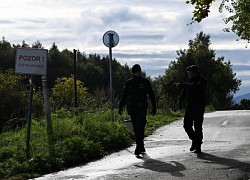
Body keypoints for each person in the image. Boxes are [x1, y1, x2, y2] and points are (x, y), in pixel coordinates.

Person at [118, 64, 156, 156]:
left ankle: (139, 147)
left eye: (138, 71)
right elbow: (125, 95)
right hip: (133, 108)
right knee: (137, 128)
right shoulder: (130, 83)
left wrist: (154, 107)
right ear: (135, 72)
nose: (138, 72)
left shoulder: (144, 82)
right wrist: (120, 106)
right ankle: (140, 146)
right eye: (137, 71)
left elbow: (151, 94)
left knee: (140, 127)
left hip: (140, 107)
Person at [176, 65, 207, 153]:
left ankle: (198, 146)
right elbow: (185, 91)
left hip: (199, 107)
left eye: (190, 72)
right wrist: (180, 100)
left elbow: (194, 86)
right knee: (186, 125)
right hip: (189, 106)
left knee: (198, 126)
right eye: (188, 73)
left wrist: (182, 85)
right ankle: (195, 139)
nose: (189, 74)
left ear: (194, 73)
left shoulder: (201, 80)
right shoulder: (188, 81)